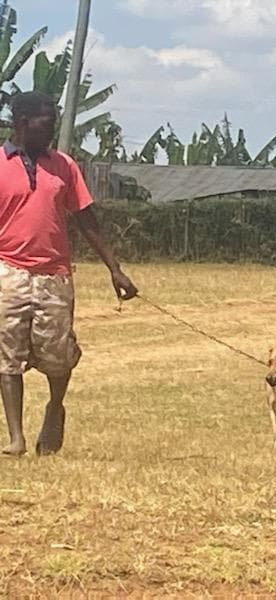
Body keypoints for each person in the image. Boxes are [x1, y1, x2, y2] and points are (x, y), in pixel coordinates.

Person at [0, 91, 138, 456]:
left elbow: (86, 217)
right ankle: (16, 437)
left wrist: (115, 268)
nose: (51, 132)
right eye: (46, 124)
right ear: (22, 122)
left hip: (55, 274)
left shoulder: (63, 166)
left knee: (58, 355)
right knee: (7, 355)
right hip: (7, 271)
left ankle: (54, 408)